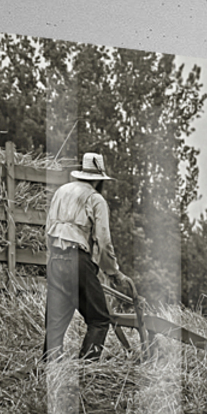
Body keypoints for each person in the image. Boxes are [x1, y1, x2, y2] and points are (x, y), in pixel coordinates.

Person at [43, 152, 135, 361]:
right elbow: (103, 241)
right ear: (99, 179)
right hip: (78, 262)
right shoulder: (95, 199)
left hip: (55, 260)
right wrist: (114, 273)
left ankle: (50, 371)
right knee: (100, 320)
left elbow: (47, 229)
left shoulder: (61, 192)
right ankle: (87, 370)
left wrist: (55, 259)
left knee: (54, 325)